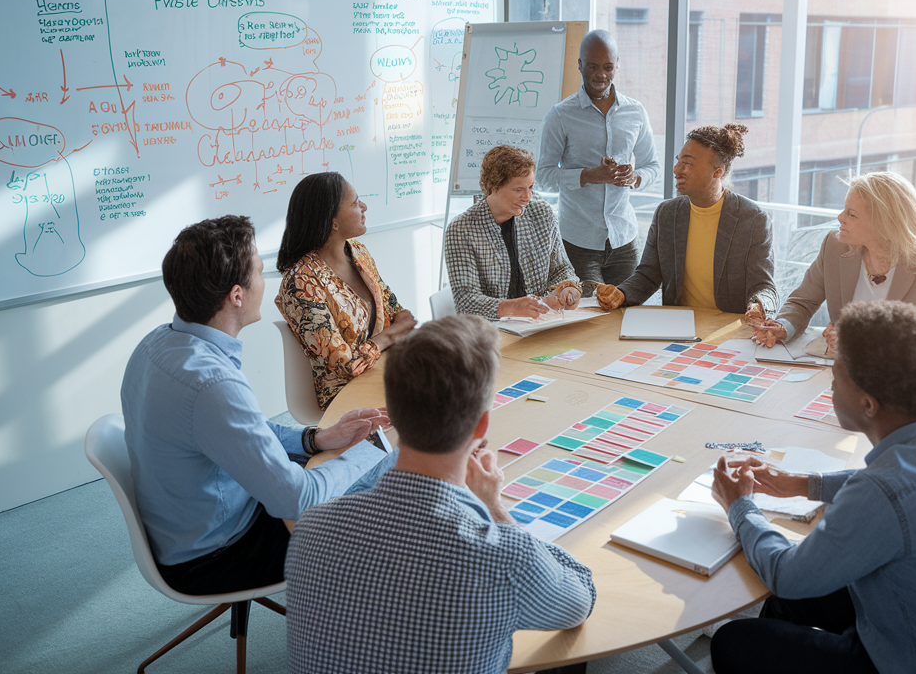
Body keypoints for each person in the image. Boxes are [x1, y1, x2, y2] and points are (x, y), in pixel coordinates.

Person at [709, 301, 916, 674]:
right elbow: (905, 489)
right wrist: (805, 484)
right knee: (794, 600)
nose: (831, 384)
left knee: (733, 641)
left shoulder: (884, 492)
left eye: (835, 375)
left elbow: (786, 575)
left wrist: (740, 506)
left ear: (867, 404)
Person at [285, 314, 596, 674]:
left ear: (395, 416)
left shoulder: (311, 528)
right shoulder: (504, 555)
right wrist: (495, 509)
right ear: (481, 425)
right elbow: (579, 599)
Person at [121, 215, 395, 595]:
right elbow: (298, 499)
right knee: (393, 470)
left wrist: (316, 438)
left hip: (187, 527)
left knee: (344, 462)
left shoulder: (157, 344)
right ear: (237, 295)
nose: (266, 284)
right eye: (261, 273)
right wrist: (375, 448)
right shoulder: (212, 385)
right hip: (219, 556)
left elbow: (240, 430)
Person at [753, 171, 916, 354]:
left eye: (852, 214)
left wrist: (858, 346)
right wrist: (782, 326)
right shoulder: (835, 246)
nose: (840, 217)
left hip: (894, 380)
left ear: (885, 225)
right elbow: (804, 301)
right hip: (837, 370)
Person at [595, 124, 776, 319]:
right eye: (678, 161)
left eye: (688, 164)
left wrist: (759, 306)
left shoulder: (753, 219)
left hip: (728, 329)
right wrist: (620, 294)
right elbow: (648, 275)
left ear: (717, 172)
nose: (676, 170)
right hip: (678, 326)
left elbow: (763, 286)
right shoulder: (667, 214)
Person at [275, 172, 416, 411]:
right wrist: (390, 336)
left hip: (384, 371)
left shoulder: (358, 252)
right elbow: (346, 365)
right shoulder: (300, 281)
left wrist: (388, 335)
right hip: (344, 395)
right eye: (355, 202)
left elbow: (400, 315)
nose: (364, 206)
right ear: (333, 221)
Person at [538, 28, 662, 284]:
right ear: (580, 64)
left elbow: (652, 167)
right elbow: (543, 176)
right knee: (589, 320)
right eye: (593, 67)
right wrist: (588, 176)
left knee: (626, 316)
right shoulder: (560, 115)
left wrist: (634, 178)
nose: (601, 75)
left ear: (617, 65)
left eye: (608, 67)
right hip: (578, 242)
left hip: (624, 240)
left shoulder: (635, 112)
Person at [445, 145, 582, 319]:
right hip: (491, 329)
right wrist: (512, 307)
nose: (527, 197)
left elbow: (561, 268)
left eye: (530, 187)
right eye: (518, 190)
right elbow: (466, 301)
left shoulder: (542, 214)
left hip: (543, 321)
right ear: (494, 186)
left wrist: (568, 287)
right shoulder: (462, 229)